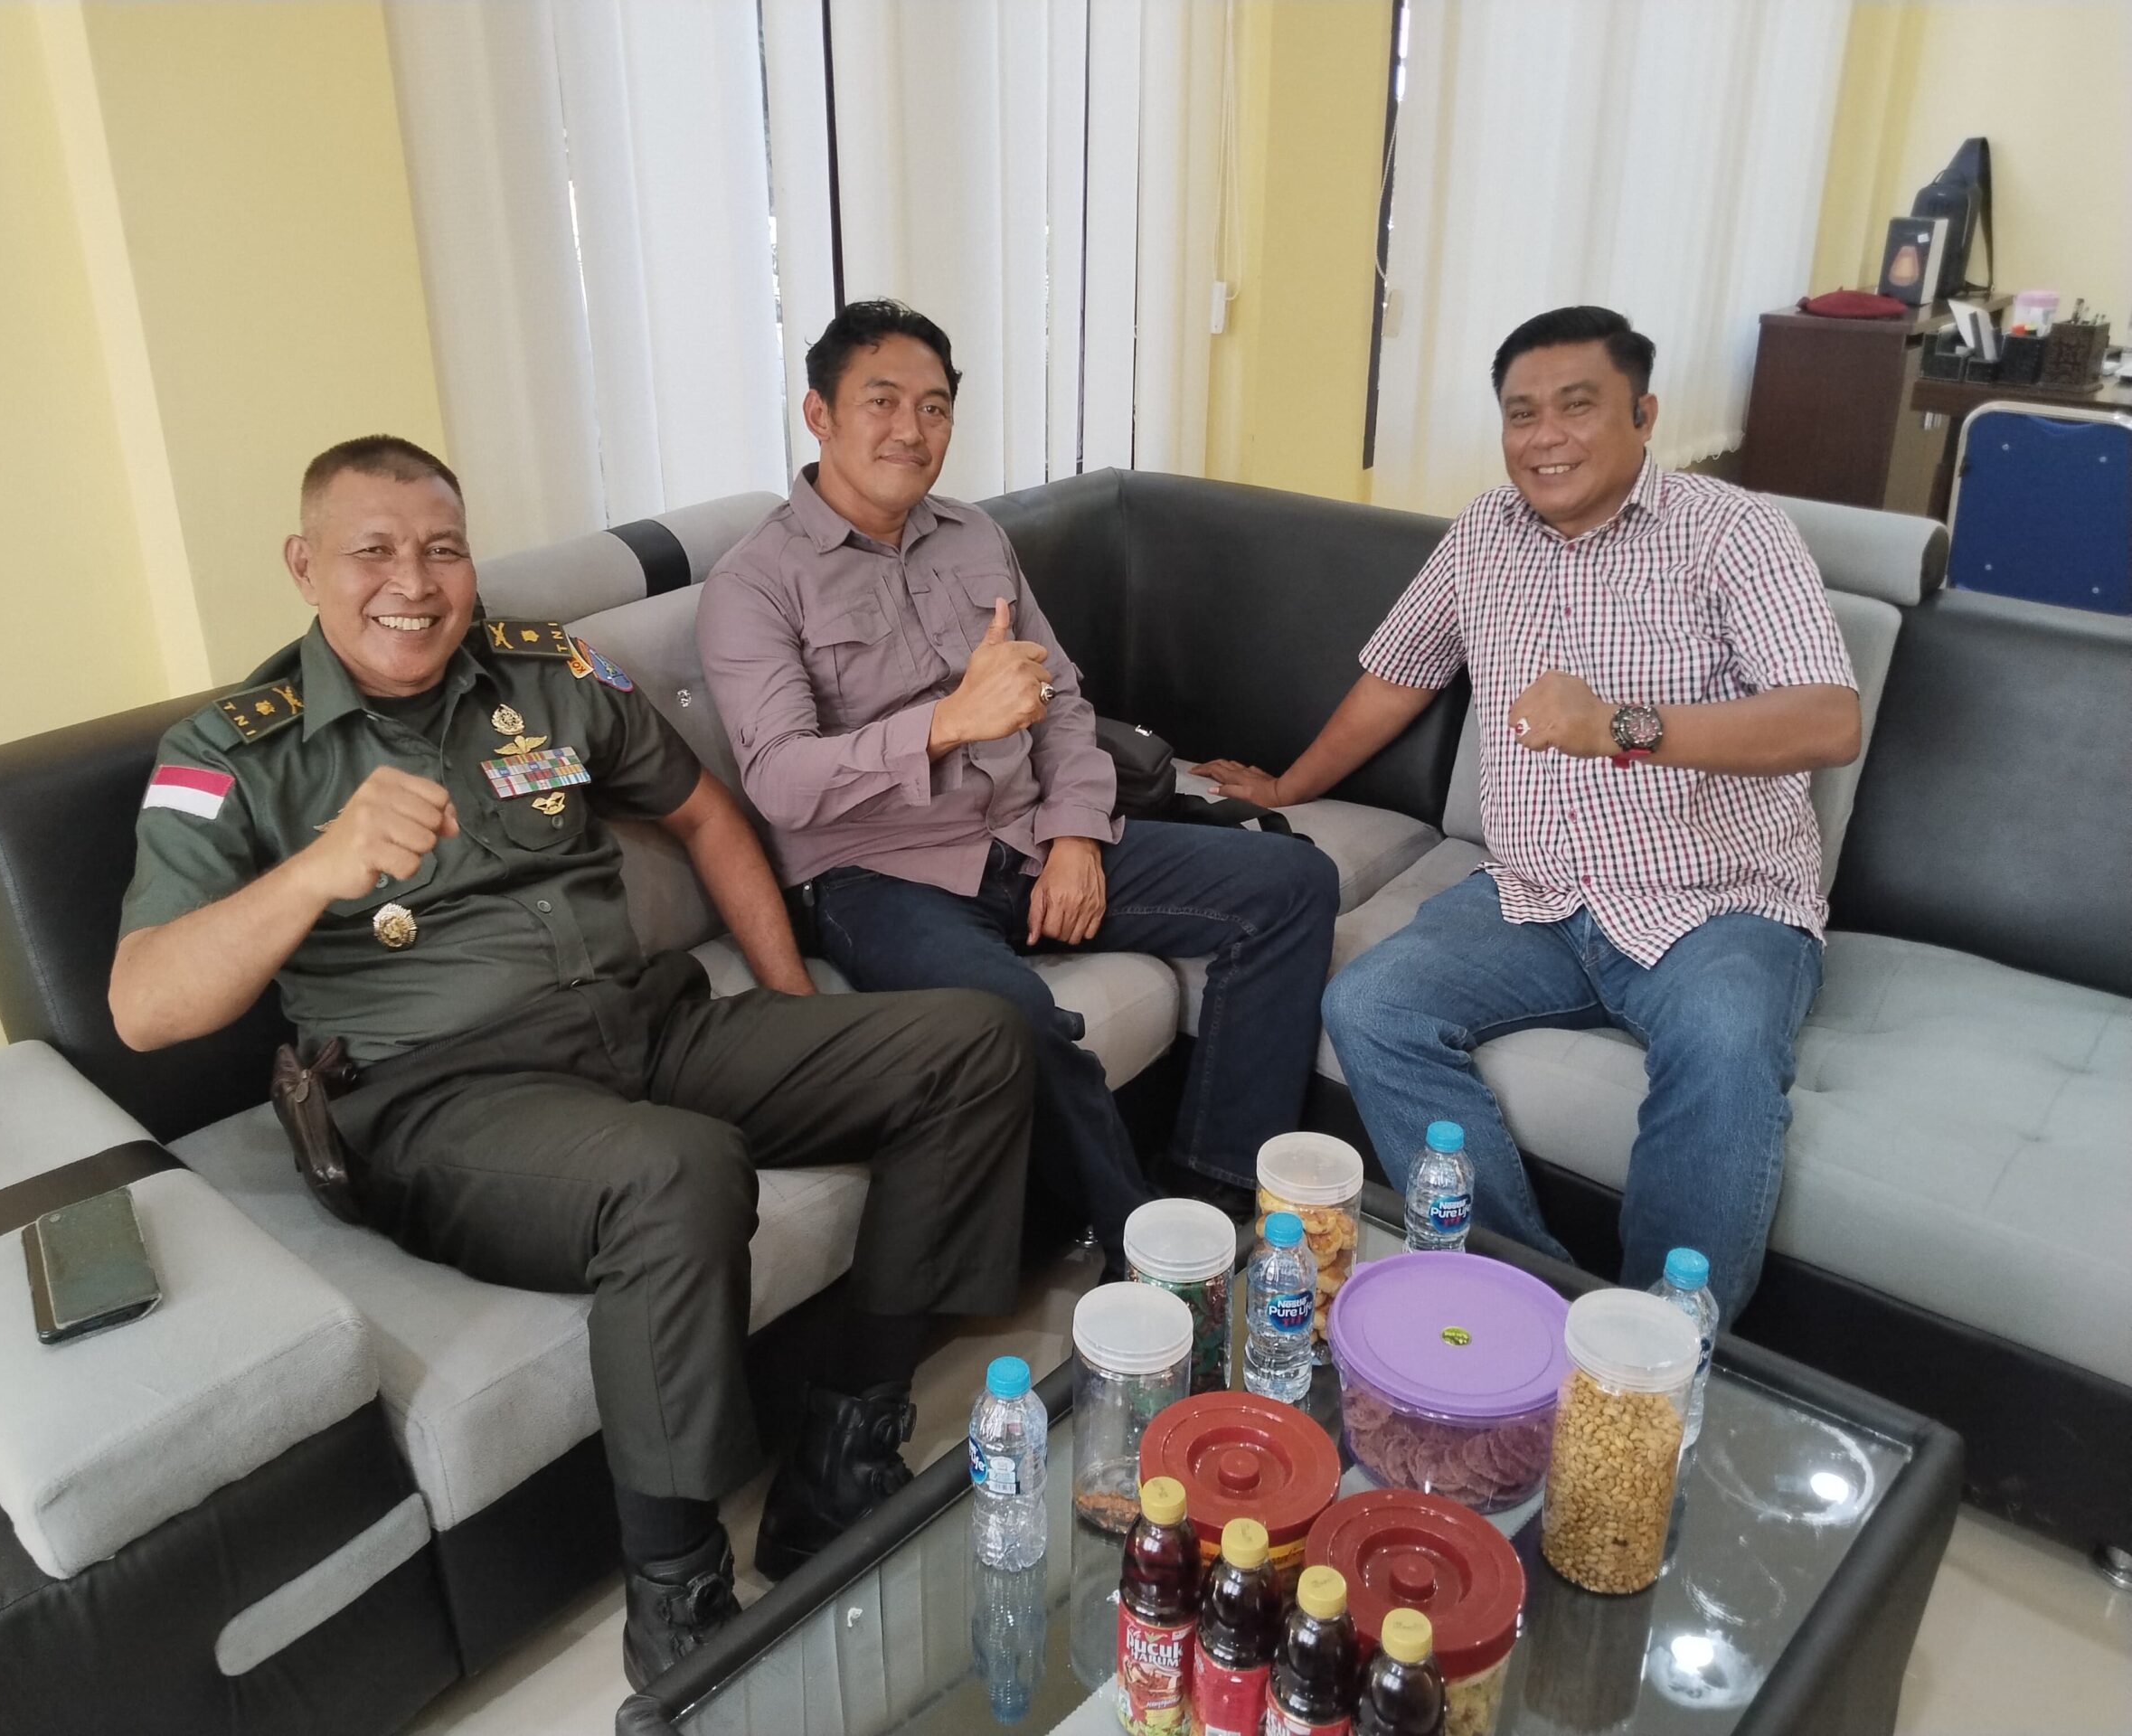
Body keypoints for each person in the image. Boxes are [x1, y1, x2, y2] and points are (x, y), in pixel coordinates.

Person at [108, 437, 1037, 1686]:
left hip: (649, 1028)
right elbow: (143, 1006)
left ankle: (842, 1455)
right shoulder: (231, 751)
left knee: (972, 1040)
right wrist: (317, 868)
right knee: (675, 1171)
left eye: (442, 549)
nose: (413, 583)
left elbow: (704, 812)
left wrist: (792, 1006)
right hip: (440, 1099)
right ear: (303, 565)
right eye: (372, 551)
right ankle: (679, 1607)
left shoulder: (544, 672)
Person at [1196, 307, 1859, 1319]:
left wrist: (1618, 726)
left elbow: (1827, 718)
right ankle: (1525, 1299)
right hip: (1532, 899)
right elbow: (1397, 677)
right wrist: (1288, 787)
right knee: (1370, 1005)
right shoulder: (1484, 534)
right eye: (1520, 414)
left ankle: (1651, 1357)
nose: (1544, 436)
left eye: (1576, 407)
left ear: (1642, 415)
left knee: (1726, 1055)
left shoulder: (1733, 530)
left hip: (1716, 904)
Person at [697, 301, 1339, 1250]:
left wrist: (1074, 834)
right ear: (819, 414)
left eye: (935, 408)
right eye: (882, 401)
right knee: (1011, 1019)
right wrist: (948, 723)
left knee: (1294, 883)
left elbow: (1063, 698)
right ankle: (1147, 1254)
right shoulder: (753, 584)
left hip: (1028, 835)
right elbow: (781, 783)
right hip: (881, 877)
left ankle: (1215, 1183)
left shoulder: (973, 537)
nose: (912, 430)